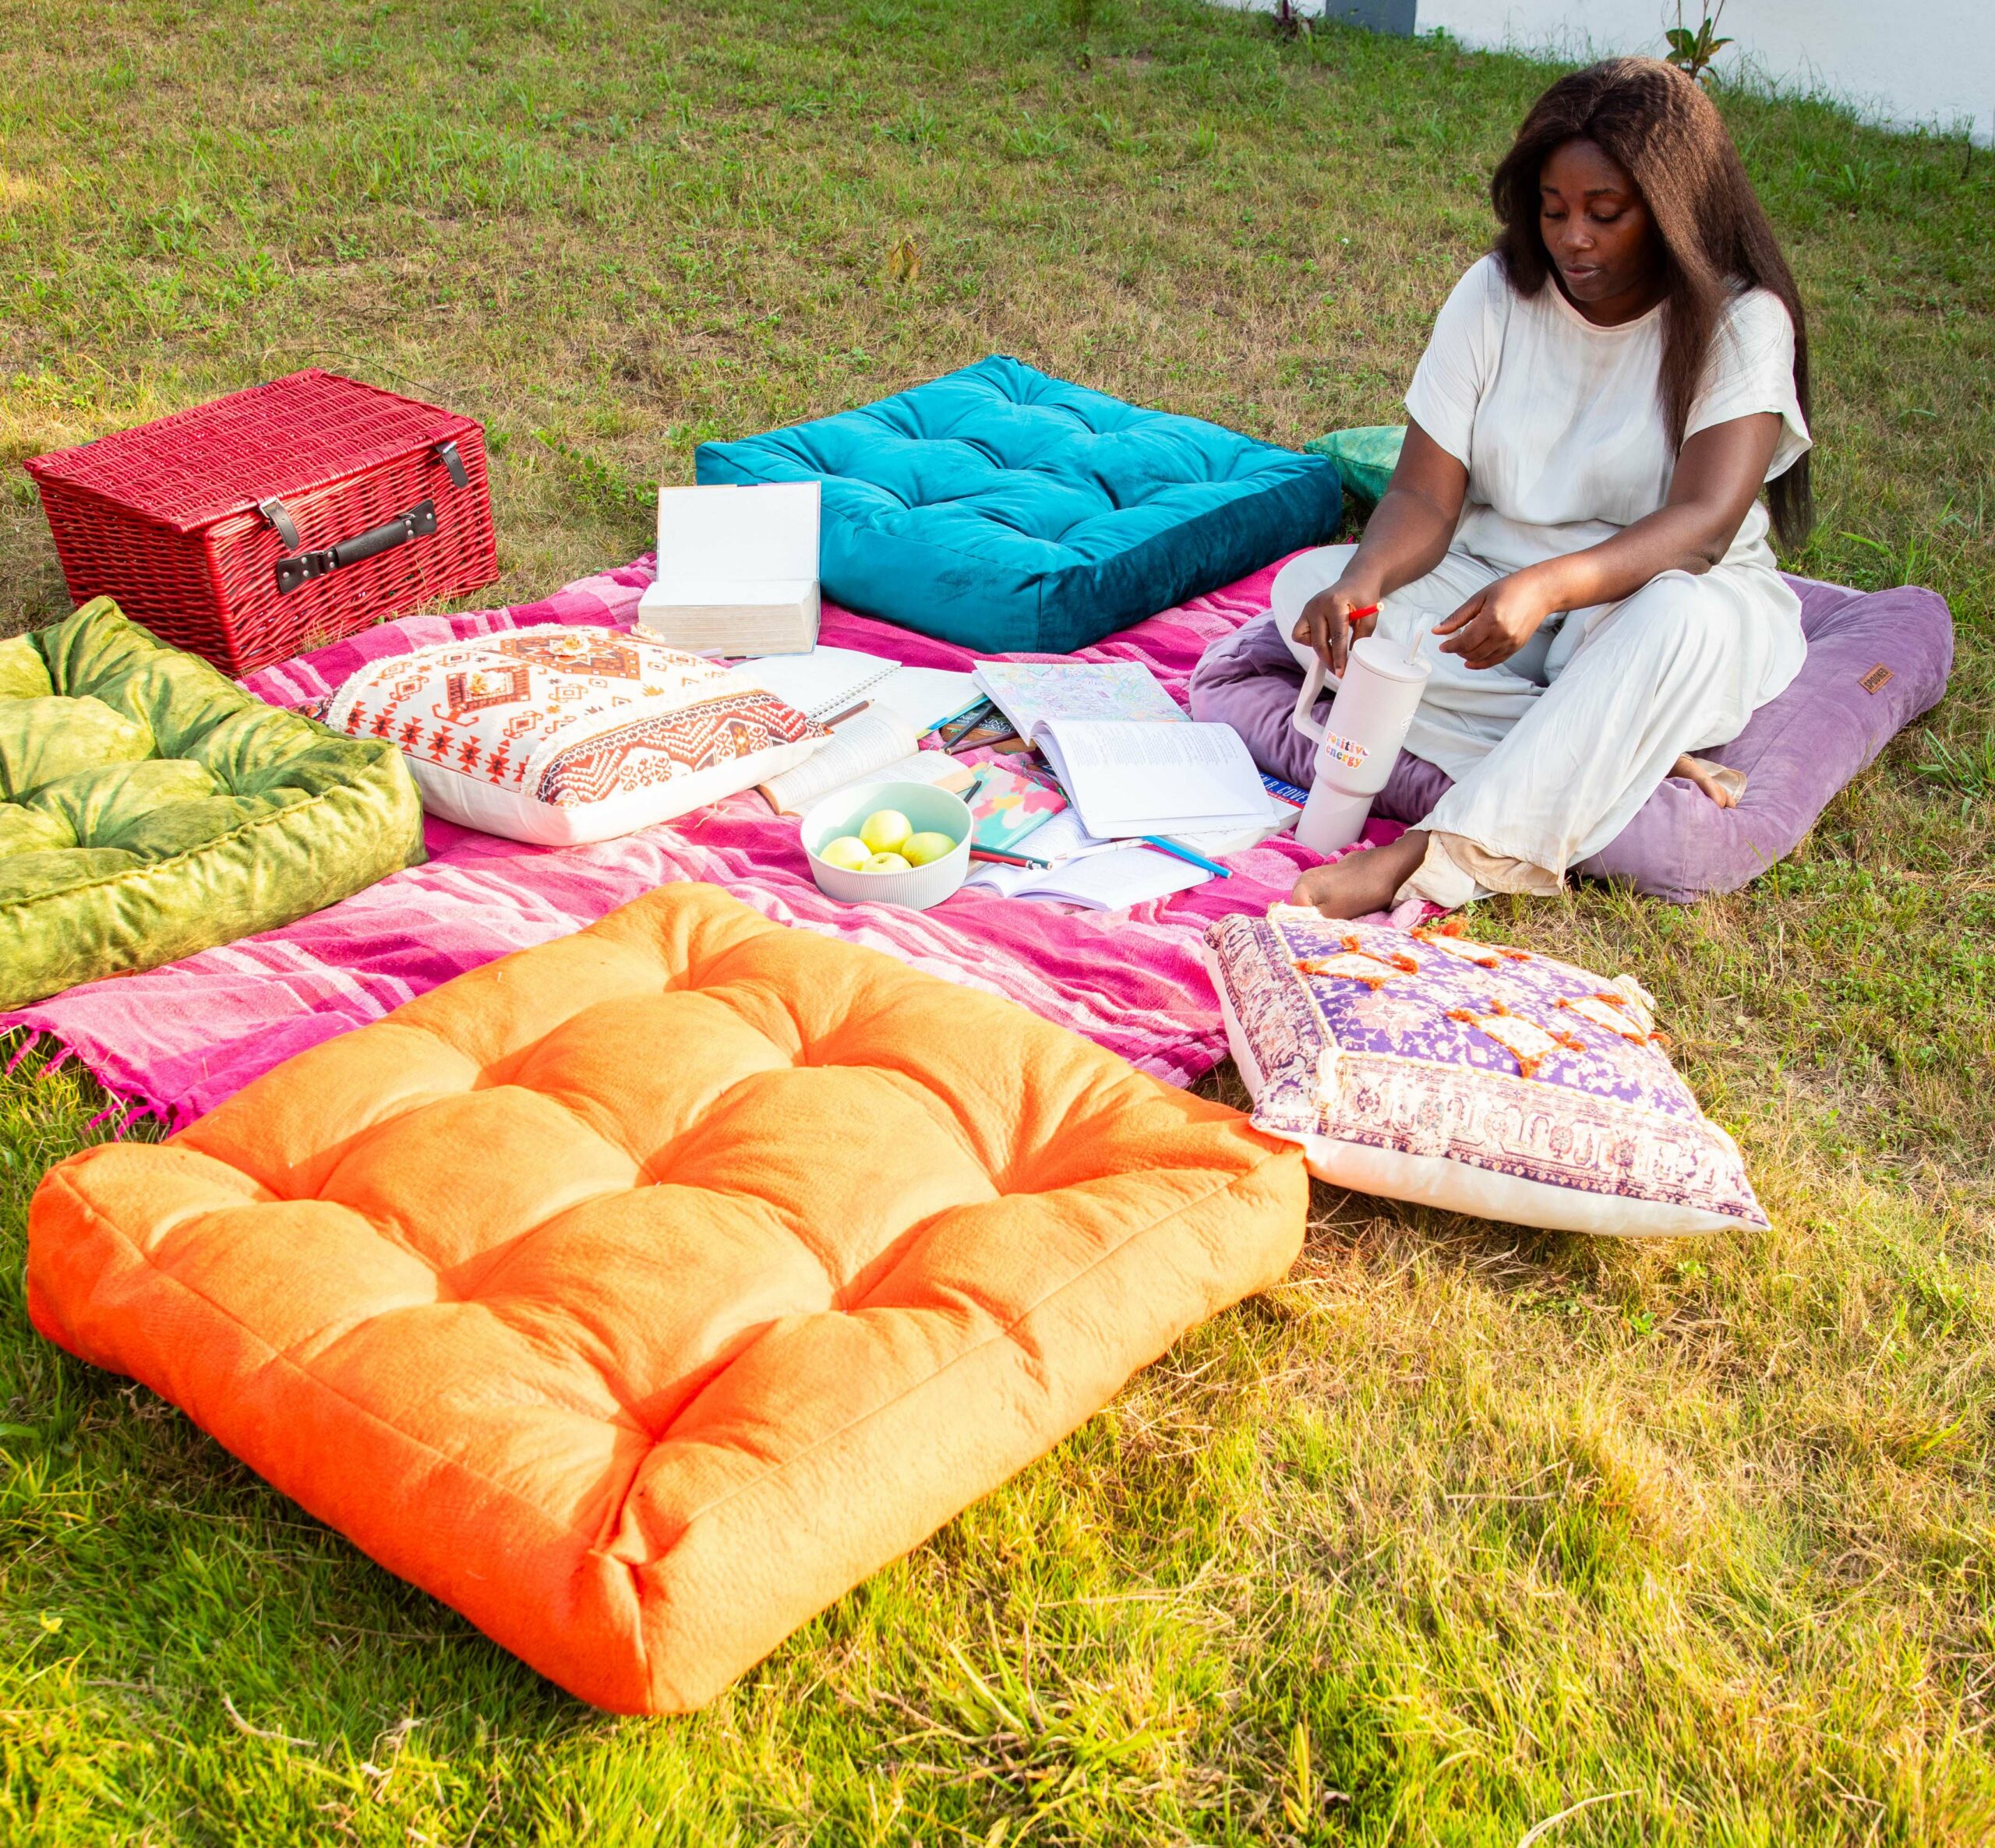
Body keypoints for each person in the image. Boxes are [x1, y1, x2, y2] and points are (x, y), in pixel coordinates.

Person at [1285, 56, 1813, 918]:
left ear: (1673, 212)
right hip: (1492, 588)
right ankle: (1610, 740)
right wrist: (1362, 584)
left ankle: (1434, 852)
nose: (1574, 238)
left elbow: (1704, 525)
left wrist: (1548, 586)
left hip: (1662, 597)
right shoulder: (1492, 295)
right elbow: (1422, 497)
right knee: (1305, 594)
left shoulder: (1740, 320)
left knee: (1675, 621)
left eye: (1606, 214)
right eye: (1553, 208)